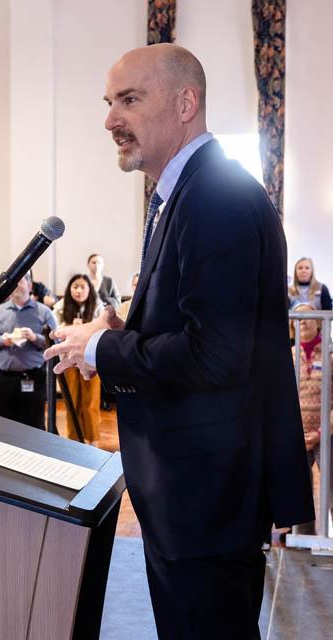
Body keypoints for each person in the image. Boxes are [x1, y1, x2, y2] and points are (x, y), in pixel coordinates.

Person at [45, 43, 313, 636]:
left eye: (130, 100)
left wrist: (100, 351)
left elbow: (215, 354)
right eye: (110, 103)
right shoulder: (187, 193)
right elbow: (200, 328)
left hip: (207, 499)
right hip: (192, 496)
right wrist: (117, 331)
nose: (111, 120)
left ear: (185, 102)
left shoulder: (214, 197)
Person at [0, 274, 57, 428]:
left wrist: (35, 338)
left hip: (34, 377)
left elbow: (56, 341)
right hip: (4, 378)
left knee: (34, 423)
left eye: (20, 282)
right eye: (13, 284)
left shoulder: (44, 312)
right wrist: (2, 340)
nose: (16, 286)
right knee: (3, 424)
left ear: (30, 286)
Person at [290, 304, 332, 535]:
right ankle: (302, 541)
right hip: (296, 434)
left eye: (309, 315)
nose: (304, 320)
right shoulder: (287, 356)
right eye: (300, 316)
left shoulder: (331, 353)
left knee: (332, 487)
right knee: (299, 493)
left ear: (319, 322)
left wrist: (320, 432)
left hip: (328, 432)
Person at [52, 274, 102, 443]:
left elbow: (104, 332)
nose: (79, 290)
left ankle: (93, 440)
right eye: (75, 287)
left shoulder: (97, 307)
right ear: (69, 289)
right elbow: (54, 331)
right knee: (71, 400)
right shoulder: (60, 308)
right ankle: (73, 440)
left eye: (83, 287)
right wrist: (70, 329)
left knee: (91, 402)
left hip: (92, 360)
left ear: (89, 289)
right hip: (68, 360)